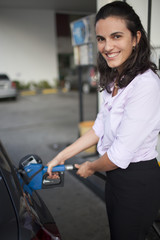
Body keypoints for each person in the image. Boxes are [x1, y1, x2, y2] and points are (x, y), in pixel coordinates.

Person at [47, 1, 160, 239]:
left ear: (135, 38)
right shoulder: (114, 79)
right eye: (101, 39)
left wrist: (91, 166)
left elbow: (120, 154)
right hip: (115, 176)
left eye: (116, 36)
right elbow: (99, 128)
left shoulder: (146, 84)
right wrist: (62, 155)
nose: (107, 46)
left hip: (136, 181)